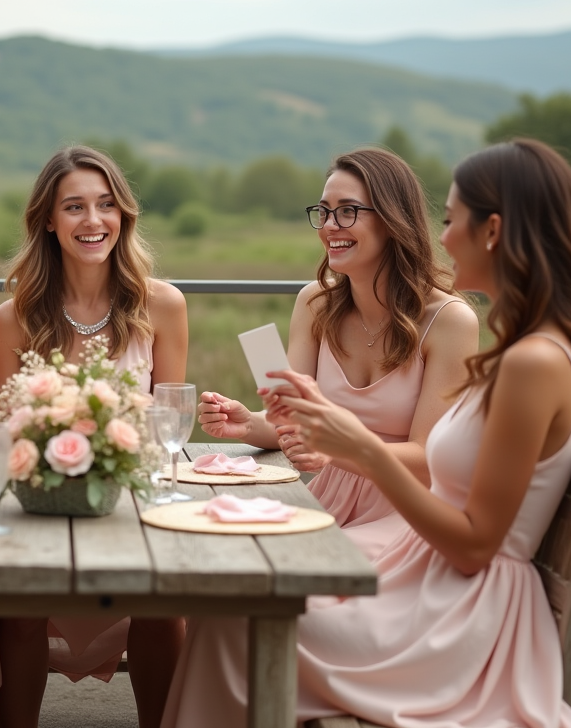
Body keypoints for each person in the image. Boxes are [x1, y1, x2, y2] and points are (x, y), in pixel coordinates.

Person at [159, 138, 571, 728]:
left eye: (451, 220)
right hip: (426, 571)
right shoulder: (523, 352)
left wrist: (359, 449)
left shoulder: (529, 360)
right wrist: (309, 432)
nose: (442, 237)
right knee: (235, 602)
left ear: (493, 231)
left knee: (238, 617)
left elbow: (475, 546)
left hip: (459, 605)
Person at [0, 145, 188, 728]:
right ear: (49, 220)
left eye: (106, 205)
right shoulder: (12, 318)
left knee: (163, 605)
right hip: (41, 505)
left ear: (123, 215)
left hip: (132, 502)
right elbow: (9, 435)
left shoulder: (163, 305)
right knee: (16, 606)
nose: (93, 220)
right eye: (74, 206)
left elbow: (170, 423)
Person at [197, 147, 478, 559]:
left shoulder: (450, 321)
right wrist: (246, 424)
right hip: (329, 501)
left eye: (347, 211)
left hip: (412, 510)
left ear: (392, 220)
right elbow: (293, 424)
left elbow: (427, 458)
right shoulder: (315, 304)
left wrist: (334, 452)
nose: (330, 226)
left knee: (287, 566)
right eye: (324, 212)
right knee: (232, 553)